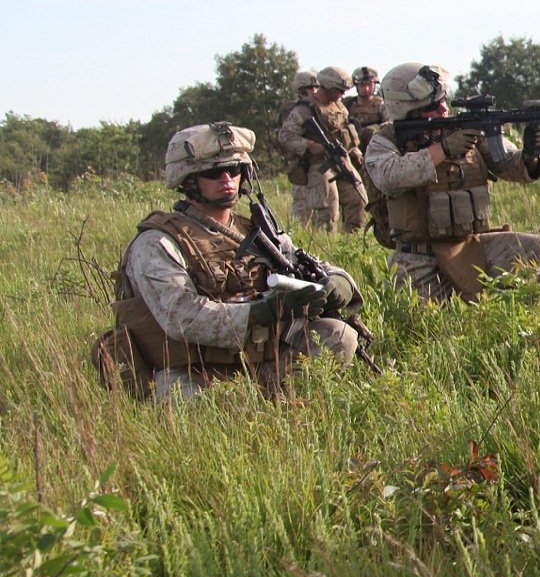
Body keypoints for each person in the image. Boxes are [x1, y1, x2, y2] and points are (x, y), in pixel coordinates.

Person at [92, 122, 361, 402]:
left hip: (256, 362)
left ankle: (280, 401)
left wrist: (338, 282)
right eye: (213, 172)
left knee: (339, 335)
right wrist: (261, 311)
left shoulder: (255, 232)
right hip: (189, 372)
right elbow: (181, 317)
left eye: (234, 170)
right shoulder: (158, 242)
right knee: (201, 410)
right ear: (187, 180)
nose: (227, 179)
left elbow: (306, 263)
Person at [362, 61, 540, 302]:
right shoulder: (386, 140)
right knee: (430, 329)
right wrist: (443, 150)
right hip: (417, 258)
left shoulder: (464, 131)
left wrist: (531, 154)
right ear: (407, 110)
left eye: (443, 102)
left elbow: (509, 165)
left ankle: (531, 323)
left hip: (471, 248)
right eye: (433, 106)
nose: (443, 111)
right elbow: (388, 177)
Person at [276, 65, 367, 231]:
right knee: (328, 210)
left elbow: (345, 132)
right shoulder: (304, 109)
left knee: (358, 198)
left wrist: (355, 151)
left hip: (342, 159)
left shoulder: (339, 107)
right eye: (339, 90)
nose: (342, 94)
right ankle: (327, 246)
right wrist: (309, 145)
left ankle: (350, 242)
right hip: (318, 165)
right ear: (328, 88)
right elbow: (285, 136)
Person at [345, 65, 385, 147]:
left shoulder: (381, 104)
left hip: (375, 147)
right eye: (362, 85)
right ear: (356, 86)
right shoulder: (347, 104)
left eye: (369, 85)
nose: (366, 89)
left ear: (374, 85)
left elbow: (389, 126)